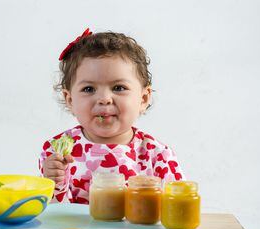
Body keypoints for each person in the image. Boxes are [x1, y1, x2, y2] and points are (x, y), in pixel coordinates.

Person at [39, 28, 185, 203]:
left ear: (143, 98)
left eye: (118, 88)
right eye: (89, 89)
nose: (104, 99)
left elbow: (177, 206)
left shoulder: (157, 155)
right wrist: (53, 181)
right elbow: (52, 214)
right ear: (70, 100)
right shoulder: (57, 151)